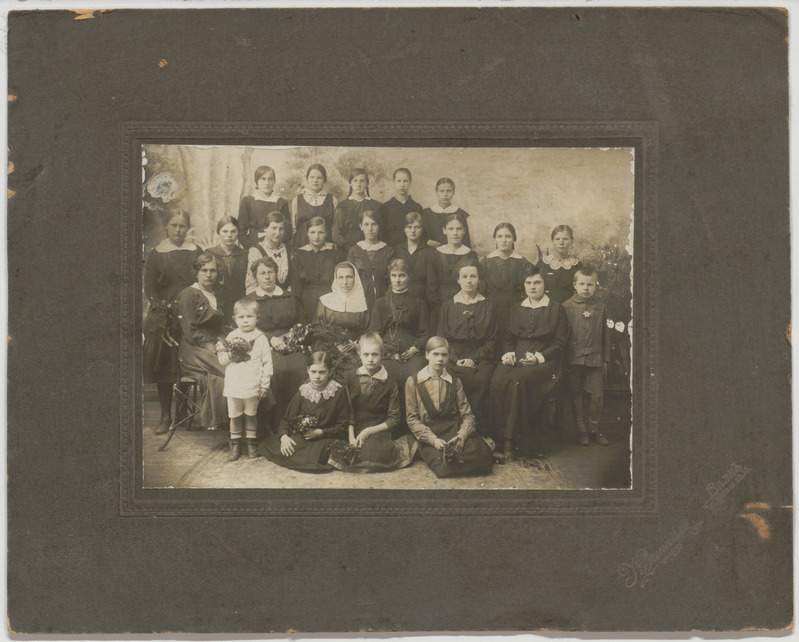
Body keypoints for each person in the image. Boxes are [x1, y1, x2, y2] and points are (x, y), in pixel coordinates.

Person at [488, 265, 569, 461]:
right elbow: (508, 339)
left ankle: (514, 441)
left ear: (545, 284)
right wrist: (508, 354)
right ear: (524, 285)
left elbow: (559, 343)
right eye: (528, 282)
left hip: (545, 360)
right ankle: (500, 439)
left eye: (537, 282)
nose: (532, 286)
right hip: (518, 355)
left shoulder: (556, 309)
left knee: (518, 381)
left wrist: (538, 358)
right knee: (497, 379)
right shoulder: (516, 308)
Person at [143, 210, 203, 434]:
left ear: (188, 228)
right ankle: (165, 415)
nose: (178, 230)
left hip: (190, 306)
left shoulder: (196, 251)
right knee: (166, 363)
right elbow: (150, 287)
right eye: (174, 225)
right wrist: (161, 309)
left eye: (182, 226)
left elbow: (203, 279)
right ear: (167, 227)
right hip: (165, 312)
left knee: (185, 360)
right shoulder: (157, 253)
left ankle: (182, 411)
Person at [405, 337, 494, 478]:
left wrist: (462, 436)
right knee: (445, 462)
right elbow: (412, 419)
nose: (440, 359)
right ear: (427, 355)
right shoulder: (414, 381)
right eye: (435, 354)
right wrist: (433, 440)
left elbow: (467, 415)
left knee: (483, 458)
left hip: (452, 429)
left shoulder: (455, 381)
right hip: (430, 433)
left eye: (444, 355)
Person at [331, 334, 418, 472]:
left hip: (378, 429)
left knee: (373, 453)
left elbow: (394, 418)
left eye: (375, 354)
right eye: (366, 354)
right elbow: (347, 412)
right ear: (359, 354)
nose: (370, 359)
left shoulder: (390, 380)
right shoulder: (350, 377)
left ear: (381, 355)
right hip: (353, 427)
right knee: (343, 452)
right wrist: (351, 437)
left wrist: (368, 431)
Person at [258, 351, 350, 471]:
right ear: (308, 370)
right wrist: (284, 437)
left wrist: (321, 432)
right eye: (313, 372)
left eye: (322, 372)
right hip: (305, 438)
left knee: (330, 448)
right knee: (275, 446)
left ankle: (312, 458)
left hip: (326, 438)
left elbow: (343, 426)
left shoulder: (338, 392)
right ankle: (308, 458)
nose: (317, 376)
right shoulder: (304, 392)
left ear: (330, 371)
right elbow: (287, 420)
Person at [436, 258, 497, 431]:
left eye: (473, 276)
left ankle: (476, 430)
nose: (469, 281)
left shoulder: (488, 306)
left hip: (481, 357)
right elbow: (442, 337)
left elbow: (492, 339)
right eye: (464, 276)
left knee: (480, 379)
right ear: (458, 279)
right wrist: (455, 359)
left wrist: (473, 359)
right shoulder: (448, 306)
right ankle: (451, 429)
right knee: (447, 378)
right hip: (452, 356)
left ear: (479, 279)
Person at [248, 257, 305, 421]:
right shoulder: (249, 301)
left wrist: (291, 338)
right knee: (275, 371)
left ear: (276, 274)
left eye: (270, 272)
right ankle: (274, 420)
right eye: (262, 273)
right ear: (255, 277)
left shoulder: (291, 298)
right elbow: (247, 328)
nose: (267, 277)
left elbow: (302, 322)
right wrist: (270, 339)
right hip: (263, 346)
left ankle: (298, 418)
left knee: (301, 368)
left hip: (291, 345)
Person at [216, 298, 273, 460]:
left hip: (252, 385)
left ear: (257, 318)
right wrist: (230, 354)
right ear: (235, 319)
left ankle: (251, 444)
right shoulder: (231, 336)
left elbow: (267, 363)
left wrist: (264, 385)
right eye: (241, 317)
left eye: (249, 316)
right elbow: (222, 360)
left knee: (250, 415)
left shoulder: (261, 338)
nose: (246, 320)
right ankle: (235, 446)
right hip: (234, 385)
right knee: (234, 415)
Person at [175, 253, 227, 429]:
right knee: (229, 370)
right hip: (193, 349)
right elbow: (189, 329)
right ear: (196, 272)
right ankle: (227, 421)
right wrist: (209, 345)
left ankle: (239, 421)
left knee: (237, 368)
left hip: (213, 346)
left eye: (213, 270)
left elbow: (221, 327)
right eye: (204, 270)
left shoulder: (215, 296)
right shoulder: (187, 294)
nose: (208, 274)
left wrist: (222, 342)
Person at [368, 259, 429, 407]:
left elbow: (425, 333)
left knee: (416, 372)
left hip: (412, 353)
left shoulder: (418, 302)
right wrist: (388, 353)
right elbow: (375, 334)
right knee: (385, 372)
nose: (398, 280)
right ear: (389, 277)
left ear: (409, 277)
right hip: (387, 353)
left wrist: (414, 349)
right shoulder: (380, 303)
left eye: (402, 275)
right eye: (394, 275)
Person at [561, 267, 611, 446]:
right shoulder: (566, 306)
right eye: (581, 284)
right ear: (574, 285)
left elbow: (605, 335)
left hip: (595, 358)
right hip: (573, 358)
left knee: (597, 396)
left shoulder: (601, 307)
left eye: (590, 284)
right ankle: (581, 430)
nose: (585, 288)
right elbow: (562, 336)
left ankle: (594, 429)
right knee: (576, 394)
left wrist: (605, 359)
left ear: (596, 286)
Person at [481, 222, 532, 346]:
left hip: (514, 309)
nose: (503, 240)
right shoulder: (486, 262)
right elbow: (481, 290)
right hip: (492, 309)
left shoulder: (522, 262)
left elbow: (528, 290)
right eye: (500, 236)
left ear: (514, 239)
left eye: (508, 236)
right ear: (495, 238)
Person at [290, 216, 345, 323]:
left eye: (321, 232)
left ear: (327, 233)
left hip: (330, 300)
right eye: (312, 232)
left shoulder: (336, 255)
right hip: (307, 302)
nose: (316, 236)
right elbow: (296, 288)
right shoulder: (299, 255)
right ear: (307, 233)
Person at [392, 211, 439, 325]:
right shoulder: (398, 250)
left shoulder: (429, 252)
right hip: (401, 300)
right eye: (409, 227)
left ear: (422, 229)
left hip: (422, 301)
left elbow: (431, 284)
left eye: (417, 227)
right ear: (404, 229)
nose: (413, 231)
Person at [313, 262, 371, 347]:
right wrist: (335, 344)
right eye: (340, 277)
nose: (345, 282)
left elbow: (367, 330)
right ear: (335, 279)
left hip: (356, 346)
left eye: (349, 277)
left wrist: (356, 344)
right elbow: (318, 328)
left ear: (355, 278)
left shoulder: (363, 303)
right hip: (328, 345)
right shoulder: (325, 301)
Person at [346, 210, 394, 309]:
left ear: (379, 226)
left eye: (374, 224)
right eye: (366, 224)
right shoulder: (354, 250)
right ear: (361, 226)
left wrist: (387, 298)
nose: (370, 229)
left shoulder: (388, 250)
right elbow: (349, 277)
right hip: (360, 298)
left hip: (384, 297)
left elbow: (392, 279)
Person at [206, 216, 248, 328]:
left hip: (239, 303)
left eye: (233, 231)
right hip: (216, 303)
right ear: (218, 232)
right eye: (225, 231)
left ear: (238, 233)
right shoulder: (210, 253)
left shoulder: (245, 254)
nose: (229, 235)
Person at [433, 213, 478, 313]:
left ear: (464, 231)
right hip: (440, 303)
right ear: (444, 230)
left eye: (459, 229)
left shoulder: (470, 254)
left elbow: (476, 282)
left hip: (465, 303)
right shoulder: (436, 254)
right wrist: (439, 307)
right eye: (451, 229)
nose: (455, 233)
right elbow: (431, 285)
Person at [238, 165, 292, 248]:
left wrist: (276, 247)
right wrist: (252, 248)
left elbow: (287, 231)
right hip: (253, 246)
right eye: (263, 179)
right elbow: (241, 231)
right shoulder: (248, 201)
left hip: (276, 247)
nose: (267, 183)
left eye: (270, 179)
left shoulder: (281, 202)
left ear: (274, 181)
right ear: (256, 181)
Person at [331, 168, 382, 251]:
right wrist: (351, 250)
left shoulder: (376, 206)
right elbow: (336, 234)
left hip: (372, 250)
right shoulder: (343, 206)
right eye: (355, 181)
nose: (358, 184)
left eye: (362, 181)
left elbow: (382, 233)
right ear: (350, 183)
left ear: (367, 183)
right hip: (347, 251)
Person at [291, 163, 337, 250]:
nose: (315, 180)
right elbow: (294, 227)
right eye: (312, 177)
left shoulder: (332, 200)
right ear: (307, 179)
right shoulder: (297, 200)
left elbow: (335, 227)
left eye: (319, 178)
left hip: (326, 246)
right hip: (301, 244)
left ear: (324, 180)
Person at [245, 211, 292, 293]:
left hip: (286, 298)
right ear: (265, 228)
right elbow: (251, 284)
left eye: (281, 229)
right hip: (263, 298)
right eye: (274, 228)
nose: (278, 233)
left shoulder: (289, 250)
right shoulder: (256, 251)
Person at [375, 168, 423, 247]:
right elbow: (381, 235)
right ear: (394, 182)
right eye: (399, 181)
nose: (402, 185)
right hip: (391, 249)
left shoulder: (417, 208)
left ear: (410, 182)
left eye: (405, 181)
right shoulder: (385, 208)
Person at [537, 224, 584, 303]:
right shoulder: (543, 264)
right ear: (552, 241)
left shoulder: (577, 265)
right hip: (546, 306)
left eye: (565, 239)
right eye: (557, 239)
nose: (561, 242)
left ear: (572, 241)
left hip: (570, 307)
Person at [421, 177, 472, 248]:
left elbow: (466, 241)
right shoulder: (426, 213)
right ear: (437, 192)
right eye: (442, 191)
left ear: (453, 192)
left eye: (448, 191)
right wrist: (427, 241)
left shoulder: (460, 214)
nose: (445, 194)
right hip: (431, 251)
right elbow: (420, 235)